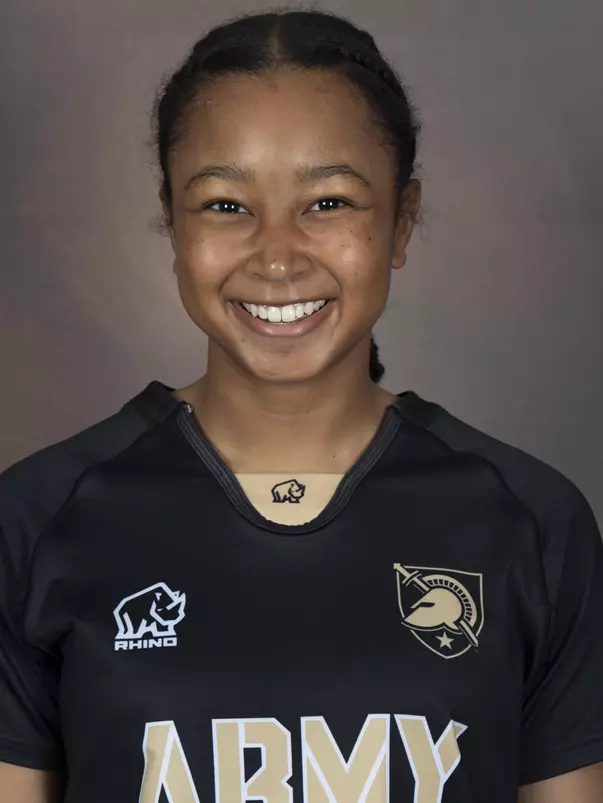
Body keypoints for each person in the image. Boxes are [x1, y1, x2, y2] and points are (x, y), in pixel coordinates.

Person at [1, 8, 602, 803]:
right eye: (223, 204)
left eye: (328, 203)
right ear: (173, 222)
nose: (277, 254)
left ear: (401, 220)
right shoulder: (38, 517)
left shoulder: (531, 521)